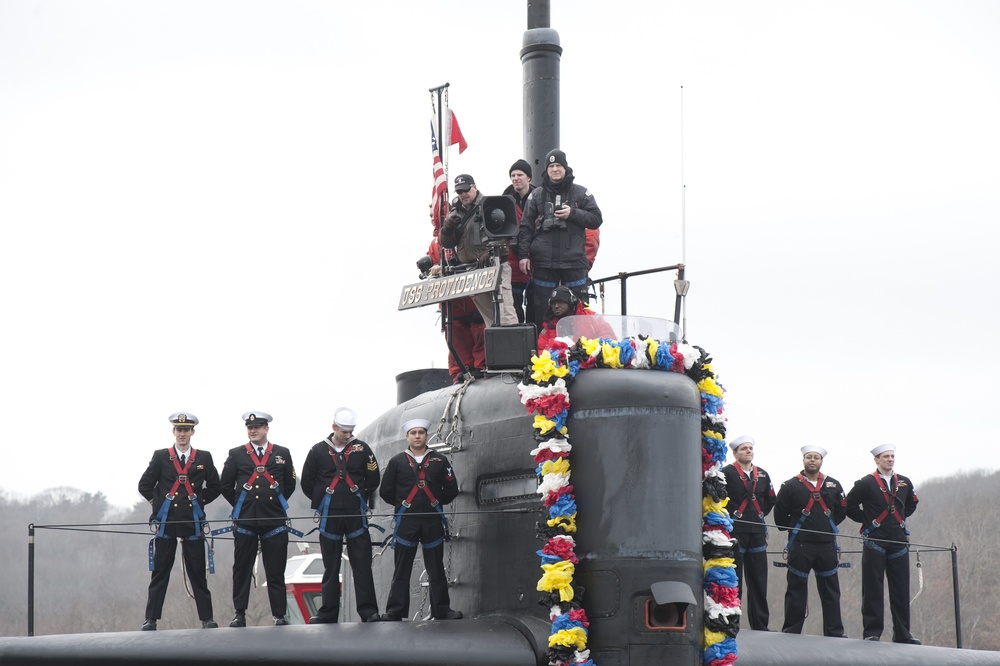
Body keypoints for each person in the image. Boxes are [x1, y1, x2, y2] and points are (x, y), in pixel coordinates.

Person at [138, 412, 221, 630]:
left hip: (192, 523)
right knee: (160, 574)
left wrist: (198, 502)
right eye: (179, 430)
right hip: (167, 523)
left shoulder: (204, 457)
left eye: (186, 430)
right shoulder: (160, 456)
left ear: (192, 432)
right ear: (173, 432)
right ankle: (151, 619)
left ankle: (207, 618)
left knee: (197, 574)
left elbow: (215, 486)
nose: (182, 434)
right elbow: (144, 485)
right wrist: (158, 506)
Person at [300, 407, 382, 623]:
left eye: (351, 431)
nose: (348, 435)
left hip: (355, 514)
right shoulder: (317, 451)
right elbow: (307, 481)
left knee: (362, 564)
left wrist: (359, 495)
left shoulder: (361, 449)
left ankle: (368, 611)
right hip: (330, 515)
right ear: (334, 427)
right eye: (344, 431)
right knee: (331, 566)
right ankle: (328, 613)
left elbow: (373, 477)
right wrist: (324, 498)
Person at [379, 418, 462, 621]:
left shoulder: (440, 461)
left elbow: (452, 489)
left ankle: (441, 609)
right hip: (407, 521)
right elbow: (386, 491)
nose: (417, 436)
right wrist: (404, 505)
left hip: (432, 520)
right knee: (402, 568)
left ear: (426, 436)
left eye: (421, 433)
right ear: (407, 436)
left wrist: (434, 503)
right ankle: (395, 611)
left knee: (436, 568)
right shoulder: (397, 462)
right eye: (413, 433)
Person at [220, 411, 297, 627]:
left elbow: (289, 484)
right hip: (246, 522)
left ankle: (279, 615)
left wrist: (273, 503)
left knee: (275, 571)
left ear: (266, 429)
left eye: (257, 427)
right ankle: (239, 613)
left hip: (274, 521)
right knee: (241, 570)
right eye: (249, 427)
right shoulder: (236, 454)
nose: (252, 430)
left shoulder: (282, 453)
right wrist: (241, 506)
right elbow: (225, 485)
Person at [516, 149, 603, 328]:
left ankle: (582, 349)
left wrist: (573, 213)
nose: (555, 169)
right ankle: (544, 350)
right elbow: (525, 227)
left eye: (558, 166)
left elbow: (596, 218)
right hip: (544, 264)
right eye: (551, 166)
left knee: (580, 310)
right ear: (546, 170)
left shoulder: (581, 193)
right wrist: (523, 255)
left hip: (574, 263)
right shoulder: (536, 195)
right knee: (543, 310)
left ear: (565, 168)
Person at [845, 443, 920, 644]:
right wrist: (867, 519)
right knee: (872, 590)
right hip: (874, 542)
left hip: (898, 542)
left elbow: (912, 504)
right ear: (876, 460)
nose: (890, 459)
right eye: (885, 456)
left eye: (892, 456)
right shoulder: (865, 483)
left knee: (901, 591)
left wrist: (899, 519)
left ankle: (903, 634)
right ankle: (872, 633)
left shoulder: (904, 482)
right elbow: (849, 505)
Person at [773, 445, 847, 637]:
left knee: (831, 592)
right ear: (803, 460)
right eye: (809, 457)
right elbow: (780, 518)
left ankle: (834, 632)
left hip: (827, 546)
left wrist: (824, 525)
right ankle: (791, 630)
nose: (812, 460)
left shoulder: (833, 485)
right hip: (801, 546)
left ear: (821, 461)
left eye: (816, 457)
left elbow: (841, 512)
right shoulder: (790, 486)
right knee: (796, 590)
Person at [439, 174, 518, 327]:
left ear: (474, 187)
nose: (463, 195)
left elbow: (506, 231)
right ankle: (497, 344)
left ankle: (512, 342)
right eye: (459, 192)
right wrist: (447, 230)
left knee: (505, 309)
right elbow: (447, 244)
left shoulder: (489, 204)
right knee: (489, 316)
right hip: (472, 270)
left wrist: (490, 251)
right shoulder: (454, 213)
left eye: (466, 190)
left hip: (496, 265)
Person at [721, 435, 776, 631]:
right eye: (743, 449)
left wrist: (759, 515)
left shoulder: (762, 474)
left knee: (759, 582)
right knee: (734, 581)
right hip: (736, 532)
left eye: (750, 448)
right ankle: (731, 624)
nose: (748, 451)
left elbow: (770, 500)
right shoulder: (725, 473)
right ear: (735, 453)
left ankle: (760, 625)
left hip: (757, 533)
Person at [504, 159, 536, 324]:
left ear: (528, 177)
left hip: (536, 261)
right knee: (514, 309)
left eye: (519, 175)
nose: (516, 178)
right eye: (513, 175)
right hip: (514, 264)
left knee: (535, 307)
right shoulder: (505, 201)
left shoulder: (541, 198)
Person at [536, 285, 615, 350]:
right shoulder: (549, 326)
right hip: (563, 366)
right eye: (553, 303)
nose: (556, 306)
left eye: (560, 302)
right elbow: (541, 349)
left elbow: (608, 336)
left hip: (591, 363)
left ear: (571, 302)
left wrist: (591, 348)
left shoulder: (590, 317)